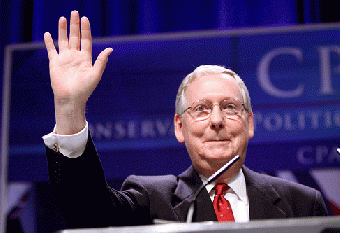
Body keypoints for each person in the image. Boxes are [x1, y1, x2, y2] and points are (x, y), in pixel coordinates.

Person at [43, 11, 328, 229]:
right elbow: (87, 212)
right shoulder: (152, 200)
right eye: (201, 109)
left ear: (249, 123)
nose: (216, 120)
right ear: (180, 126)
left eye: (229, 107)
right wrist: (70, 106)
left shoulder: (301, 203)